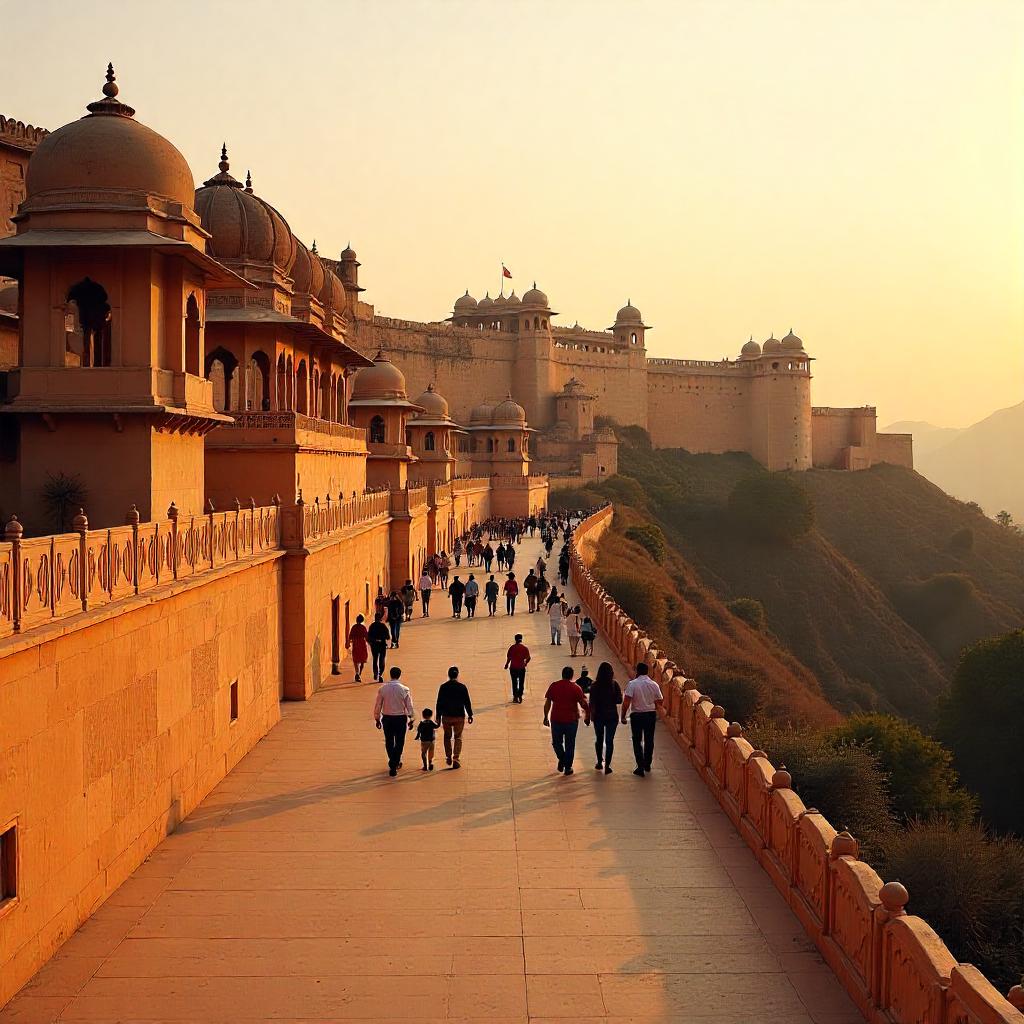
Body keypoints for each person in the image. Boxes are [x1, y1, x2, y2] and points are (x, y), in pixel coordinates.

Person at [543, 666, 590, 775]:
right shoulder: (576, 688)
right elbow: (583, 703)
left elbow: (548, 702)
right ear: (572, 676)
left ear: (562, 674)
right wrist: (587, 715)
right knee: (570, 744)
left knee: (556, 743)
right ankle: (567, 765)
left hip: (556, 719)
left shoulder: (554, 686)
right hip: (571, 720)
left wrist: (545, 716)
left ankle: (562, 759)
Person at [621, 662, 665, 777]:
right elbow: (660, 701)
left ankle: (640, 766)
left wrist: (623, 716)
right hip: (650, 714)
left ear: (637, 671)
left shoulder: (632, 684)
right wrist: (651, 702)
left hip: (637, 715)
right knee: (649, 740)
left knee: (637, 740)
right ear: (647, 672)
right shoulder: (654, 684)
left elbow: (626, 702)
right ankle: (647, 764)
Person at [373, 666, 414, 776]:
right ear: (399, 675)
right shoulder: (404, 689)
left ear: (390, 675)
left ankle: (393, 761)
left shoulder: (383, 689)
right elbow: (409, 706)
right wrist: (411, 718)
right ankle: (395, 762)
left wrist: (377, 718)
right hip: (400, 718)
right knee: (400, 742)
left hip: (387, 718)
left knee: (389, 741)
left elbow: (378, 705)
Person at [435, 666, 474, 768]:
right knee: (458, 737)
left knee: (447, 736)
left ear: (448, 675)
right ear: (457, 675)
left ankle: (448, 756)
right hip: (459, 716)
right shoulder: (462, 687)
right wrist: (470, 714)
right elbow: (467, 702)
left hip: (446, 716)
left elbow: (439, 703)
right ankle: (456, 758)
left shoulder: (443, 687)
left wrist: (438, 717)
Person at [504, 633, 531, 703]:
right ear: (521, 639)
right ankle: (520, 695)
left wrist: (506, 664)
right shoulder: (524, 648)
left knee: (514, 682)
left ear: (515, 639)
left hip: (513, 668)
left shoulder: (512, 648)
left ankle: (515, 697)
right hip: (521, 668)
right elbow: (528, 658)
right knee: (521, 682)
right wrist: (525, 663)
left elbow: (509, 657)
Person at [367, 612, 391, 682]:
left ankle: (375, 673)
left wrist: (372, 641)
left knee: (375, 659)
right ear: (380, 618)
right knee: (382, 659)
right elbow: (388, 637)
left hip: (374, 645)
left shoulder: (372, 626)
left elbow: (369, 636)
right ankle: (380, 674)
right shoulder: (383, 626)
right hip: (382, 645)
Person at [346, 613, 369, 682]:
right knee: (362, 660)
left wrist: (348, 643)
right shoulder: (363, 628)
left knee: (356, 660)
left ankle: (357, 673)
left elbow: (350, 636)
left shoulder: (354, 627)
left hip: (355, 644)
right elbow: (366, 636)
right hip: (362, 644)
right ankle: (359, 673)